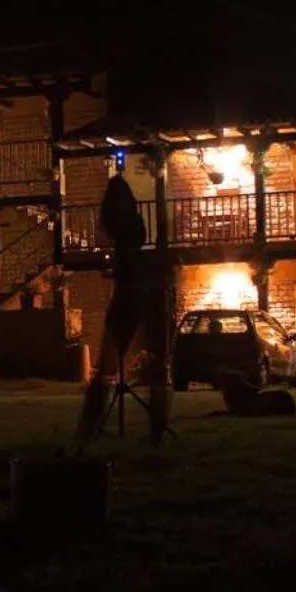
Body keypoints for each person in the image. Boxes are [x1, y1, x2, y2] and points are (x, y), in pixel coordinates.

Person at [74, 157, 174, 450]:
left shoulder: (122, 238)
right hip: (147, 291)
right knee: (157, 364)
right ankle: (157, 429)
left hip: (131, 294)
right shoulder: (136, 227)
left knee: (106, 366)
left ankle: (88, 429)